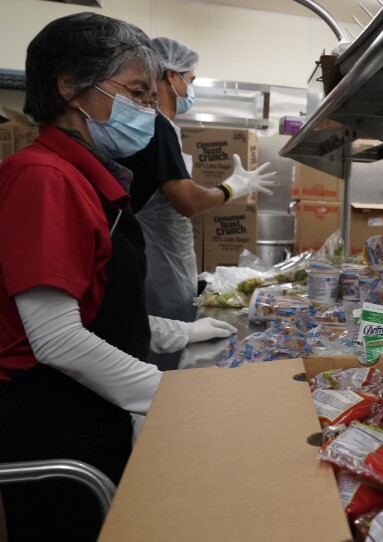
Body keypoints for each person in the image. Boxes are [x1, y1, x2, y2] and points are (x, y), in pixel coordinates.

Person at [0, 13, 237, 540]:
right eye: (137, 94)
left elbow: (99, 308)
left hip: (90, 411)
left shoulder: (91, 179)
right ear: (70, 87)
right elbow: (56, 338)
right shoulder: (43, 178)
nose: (150, 113)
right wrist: (170, 396)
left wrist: (183, 334)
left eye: (152, 98)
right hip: (55, 429)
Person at [118, 37, 276, 324]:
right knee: (166, 345)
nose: (190, 89)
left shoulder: (158, 127)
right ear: (171, 76)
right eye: (190, 80)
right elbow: (187, 202)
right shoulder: (156, 126)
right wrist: (232, 188)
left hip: (163, 259)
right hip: (158, 266)